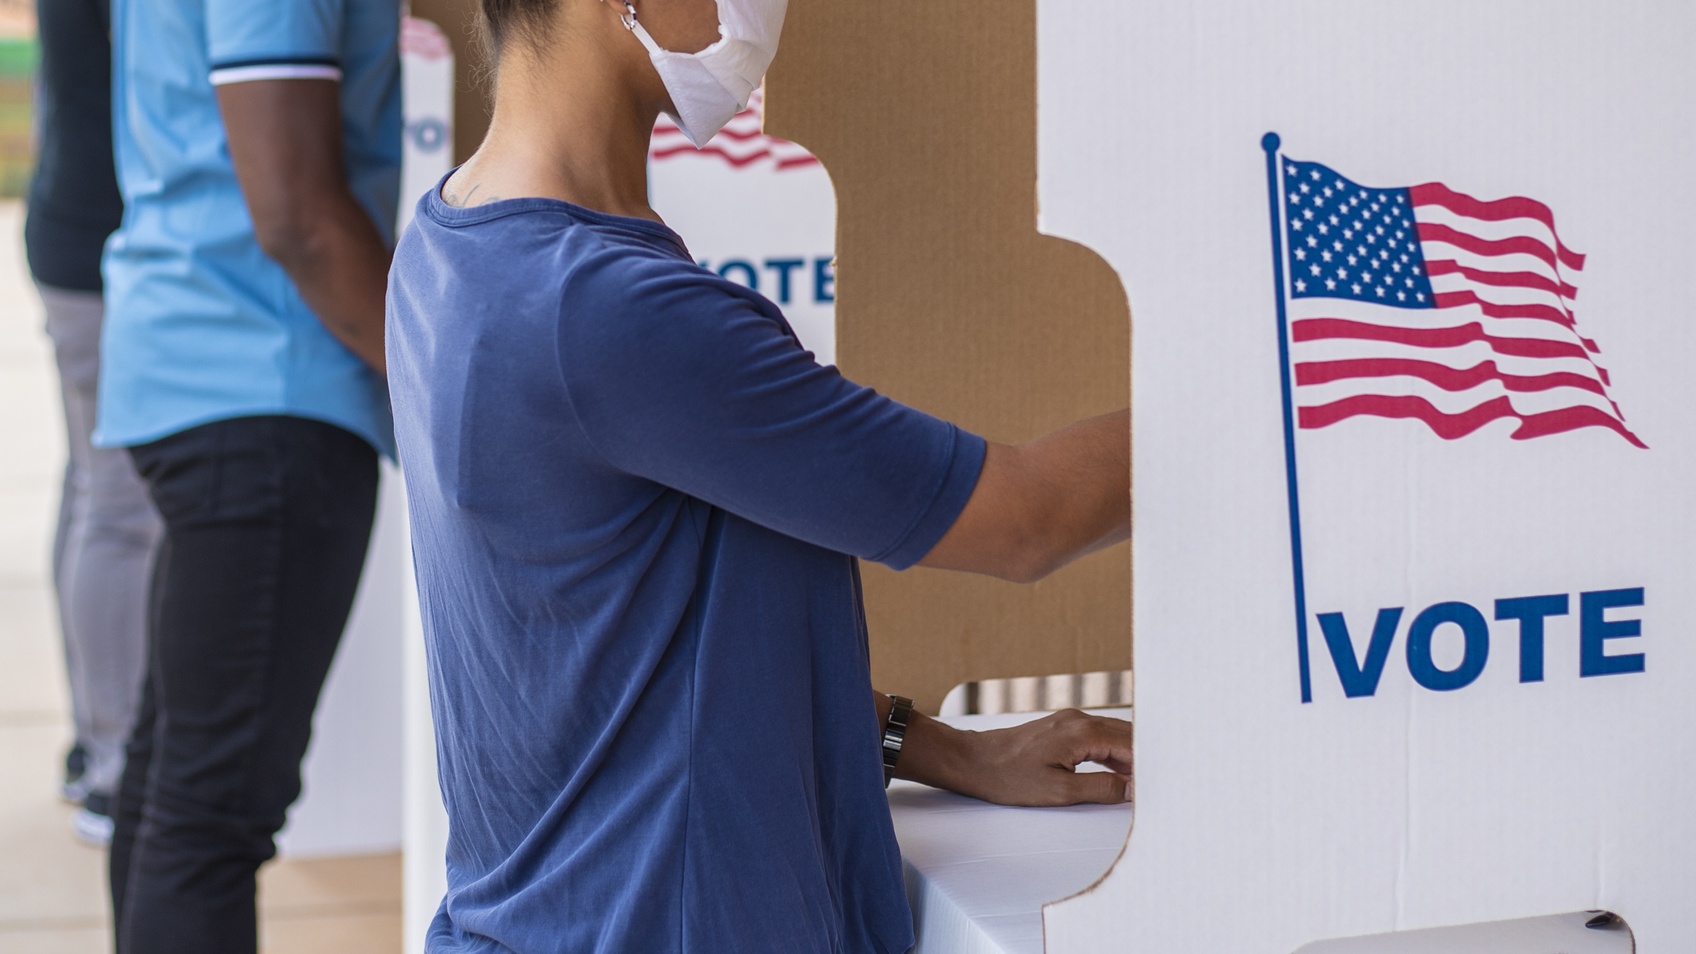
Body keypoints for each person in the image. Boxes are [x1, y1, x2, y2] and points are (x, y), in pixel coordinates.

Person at [386, 0, 1134, 951]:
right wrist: (1247, 400)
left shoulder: (452, 243)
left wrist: (938, 749)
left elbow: (621, 667)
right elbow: (1029, 519)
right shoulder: (612, 312)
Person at [97, 0, 401, 950]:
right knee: (209, 812)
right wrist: (450, 381)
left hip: (207, 365)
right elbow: (299, 216)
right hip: (264, 382)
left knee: (174, 787)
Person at [24, 0, 162, 847]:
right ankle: (112, 767)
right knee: (119, 507)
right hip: (99, 239)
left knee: (91, 489)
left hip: (73, 224)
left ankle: (92, 741)